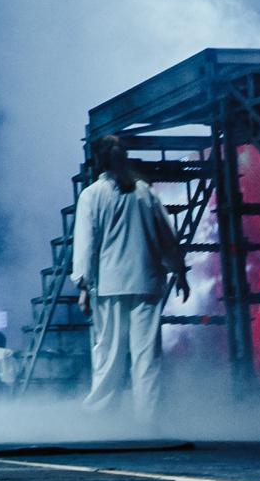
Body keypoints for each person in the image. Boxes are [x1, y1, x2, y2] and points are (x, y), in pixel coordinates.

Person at [72, 133, 188, 421]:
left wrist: (83, 286)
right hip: (147, 281)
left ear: (97, 161)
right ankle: (148, 419)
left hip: (110, 285)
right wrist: (179, 270)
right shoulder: (144, 192)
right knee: (146, 356)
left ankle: (101, 416)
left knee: (109, 354)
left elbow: (86, 243)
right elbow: (167, 236)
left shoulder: (92, 195)